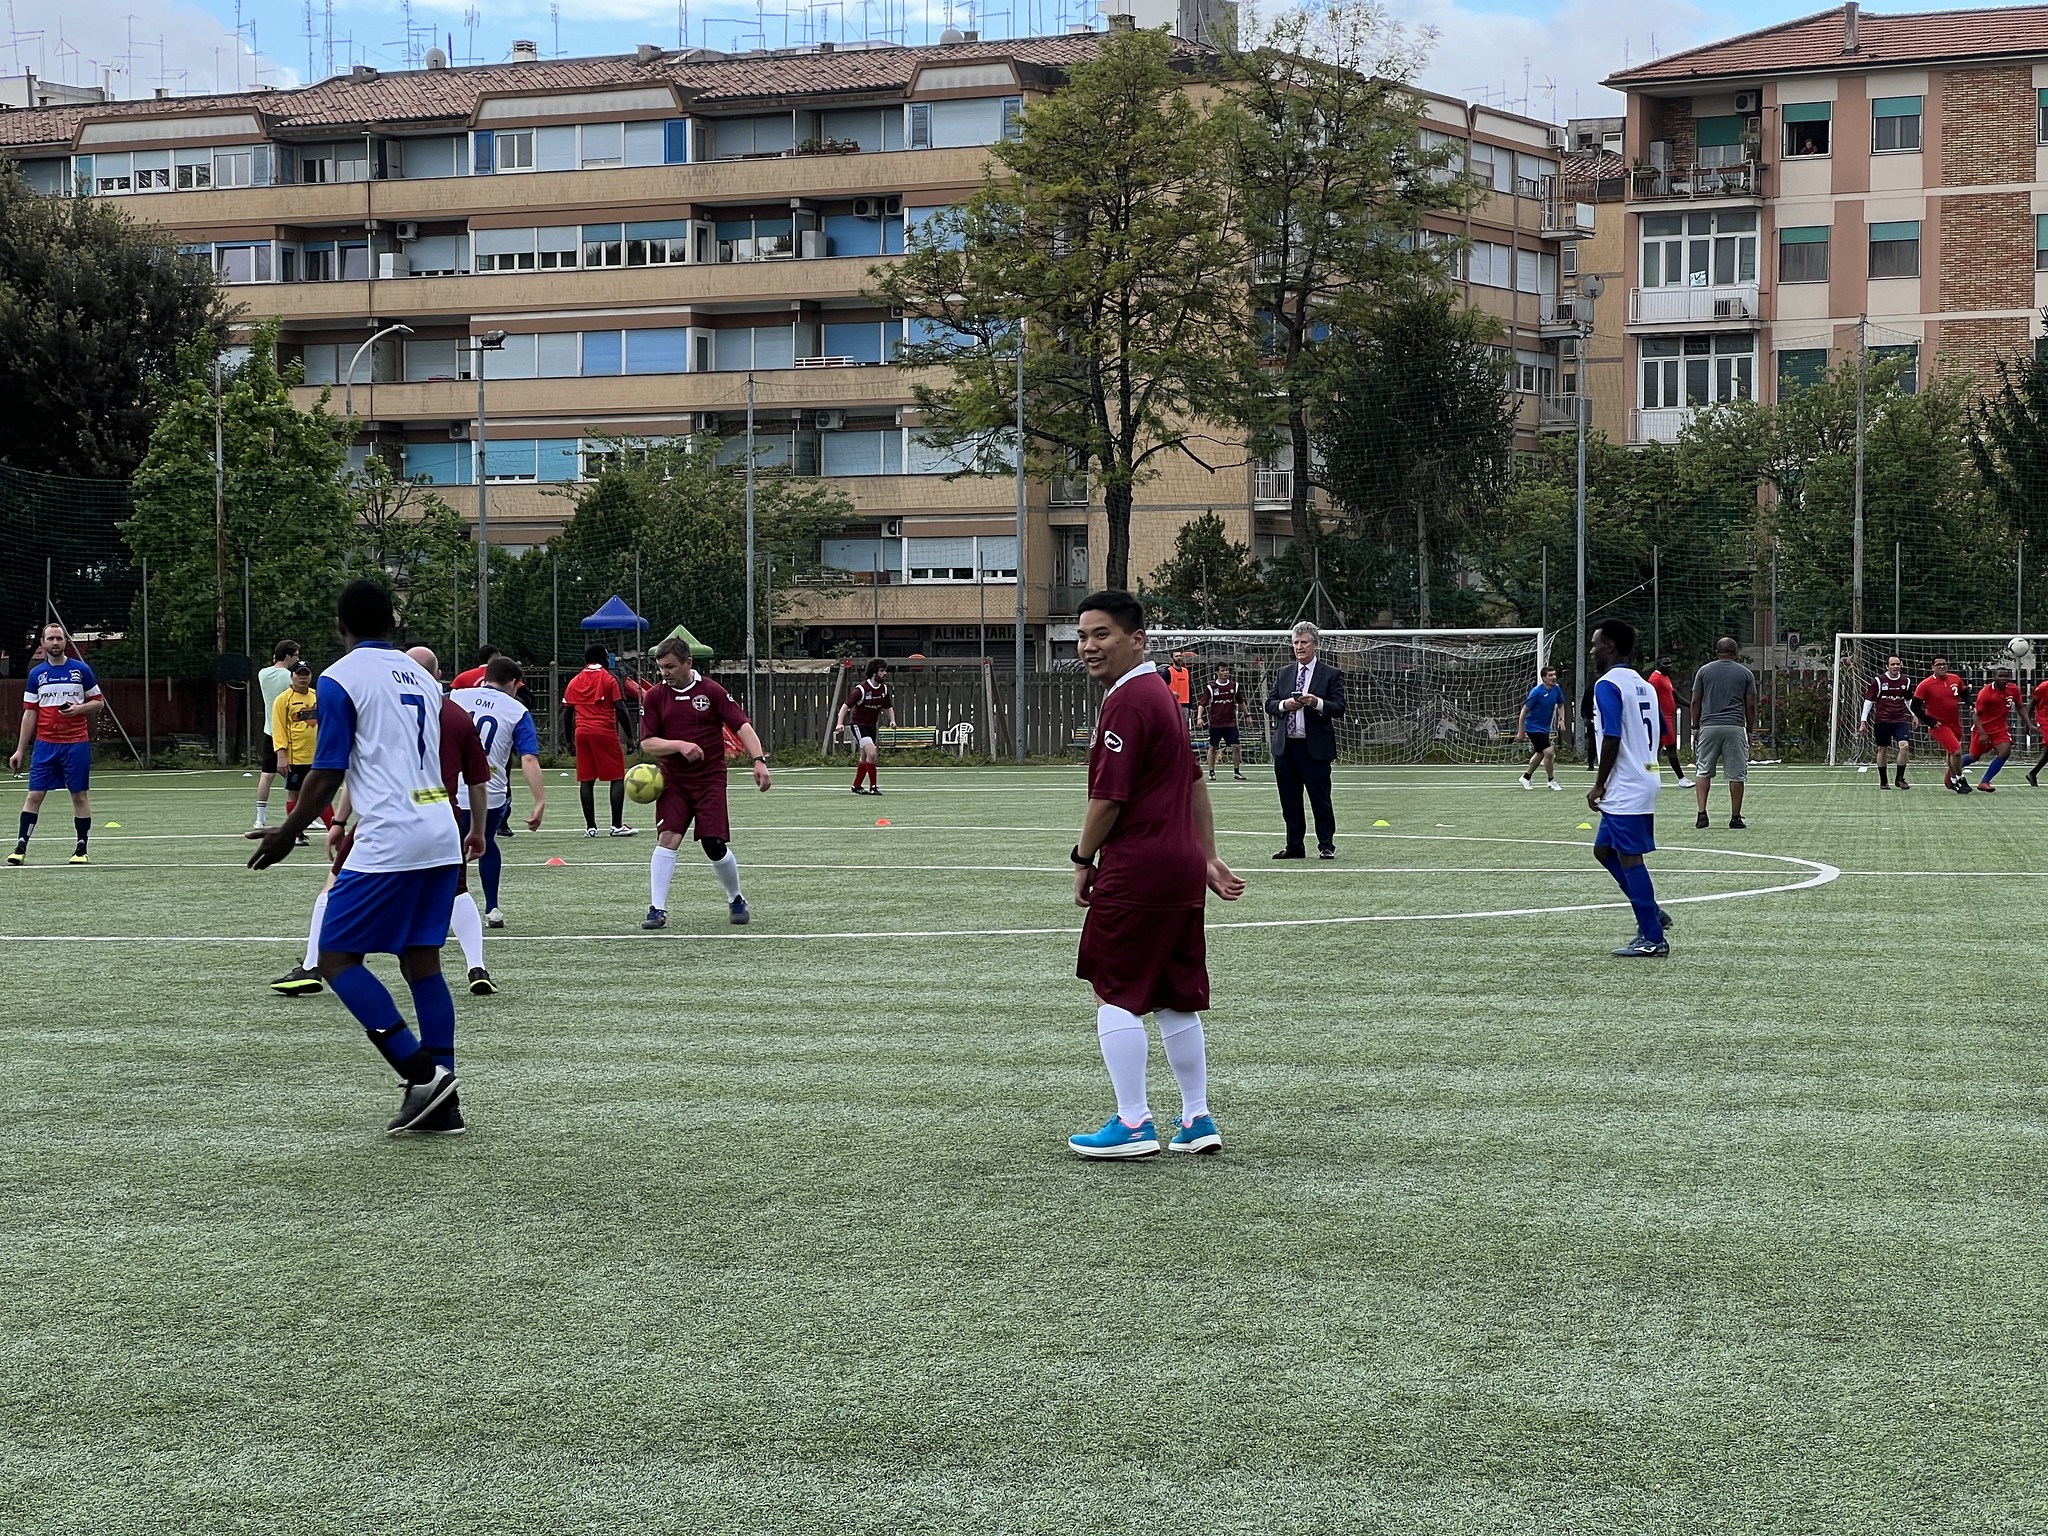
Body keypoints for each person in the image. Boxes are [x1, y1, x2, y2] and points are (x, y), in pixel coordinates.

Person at [246, 581, 479, 1137]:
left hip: (392, 835)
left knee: (336, 959)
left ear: (340, 625)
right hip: (438, 827)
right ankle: (444, 1101)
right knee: (422, 962)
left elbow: (326, 771)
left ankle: (421, 1073)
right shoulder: (420, 674)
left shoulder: (339, 677)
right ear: (392, 624)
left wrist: (287, 831)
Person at [1066, 590, 1244, 1158]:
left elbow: (1108, 799)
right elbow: (1193, 780)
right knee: (1174, 997)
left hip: (1137, 868)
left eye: (1102, 635)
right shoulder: (1163, 695)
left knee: (1113, 992)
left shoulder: (1127, 700)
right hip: (1178, 871)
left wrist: (1082, 859)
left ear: (1136, 639)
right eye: (1083, 635)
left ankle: (1133, 1121)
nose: (1088, 646)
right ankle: (1195, 1118)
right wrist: (1206, 856)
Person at [637, 636, 772, 931]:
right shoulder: (656, 696)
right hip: (673, 780)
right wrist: (679, 746)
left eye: (670, 666)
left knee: (713, 843)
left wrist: (758, 760)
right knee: (668, 838)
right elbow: (648, 743)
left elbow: (742, 726)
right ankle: (657, 909)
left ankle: (736, 898)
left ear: (688, 663)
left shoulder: (711, 691)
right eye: (660, 668)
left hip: (709, 778)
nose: (664, 673)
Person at [406, 646, 495, 994]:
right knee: (457, 889)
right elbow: (476, 781)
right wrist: (477, 830)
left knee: (339, 882)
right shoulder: (457, 715)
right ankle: (476, 966)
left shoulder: (385, 711)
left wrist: (339, 820)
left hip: (394, 812)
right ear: (439, 675)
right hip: (442, 811)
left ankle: (315, 964)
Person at [1588, 620, 1668, 959]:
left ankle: (1653, 937)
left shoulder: (1607, 684)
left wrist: (1599, 783)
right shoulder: (1643, 683)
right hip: (1644, 774)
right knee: (1604, 851)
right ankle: (1652, 913)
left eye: (1594, 644)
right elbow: (1662, 730)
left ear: (1609, 646)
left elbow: (1611, 736)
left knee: (1629, 857)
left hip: (1626, 784)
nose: (1591, 650)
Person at [452, 655, 546, 935]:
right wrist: (539, 800)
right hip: (491, 793)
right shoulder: (517, 711)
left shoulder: (455, 696)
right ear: (514, 683)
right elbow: (528, 758)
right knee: (485, 843)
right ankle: (491, 908)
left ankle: (446, 907)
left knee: (450, 850)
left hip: (450, 789)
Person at [9, 622, 103, 867]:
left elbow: (99, 702)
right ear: (42, 643)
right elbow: (30, 713)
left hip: (75, 743)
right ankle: (21, 845)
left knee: (79, 795)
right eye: (50, 639)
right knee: (34, 795)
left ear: (65, 642)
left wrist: (79, 708)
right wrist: (20, 749)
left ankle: (81, 848)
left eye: (59, 638)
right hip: (45, 745)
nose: (54, 643)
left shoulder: (80, 670)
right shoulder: (36, 675)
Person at [1265, 621, 1347, 860]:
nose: (1299, 647)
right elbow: (1270, 704)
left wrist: (1315, 702)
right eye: (1296, 643)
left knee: (1320, 799)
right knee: (1289, 801)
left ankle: (1326, 845)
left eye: (1304, 642)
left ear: (1315, 645)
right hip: (1286, 748)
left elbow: (1339, 707)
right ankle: (1294, 846)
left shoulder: (1330, 674)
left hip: (1314, 749)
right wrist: (1284, 705)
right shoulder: (1283, 673)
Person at [563, 644, 633, 838]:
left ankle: (591, 827)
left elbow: (567, 713)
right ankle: (616, 825)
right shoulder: (610, 679)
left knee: (586, 779)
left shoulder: (575, 681)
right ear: (603, 659)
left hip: (581, 732)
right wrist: (630, 738)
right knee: (617, 777)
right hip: (603, 731)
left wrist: (569, 740)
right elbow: (621, 709)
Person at [1690, 637, 1758, 830]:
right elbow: (1750, 705)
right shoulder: (1745, 673)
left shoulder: (1704, 671)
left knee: (1703, 770)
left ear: (1717, 651)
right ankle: (1735, 817)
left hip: (1709, 726)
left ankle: (1702, 814)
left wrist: (1695, 726)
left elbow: (1695, 701)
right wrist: (1750, 730)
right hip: (1734, 726)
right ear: (1735, 652)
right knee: (1736, 773)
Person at [268, 660, 328, 848]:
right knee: (294, 795)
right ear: (292, 676)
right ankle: (297, 833)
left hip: (318, 757)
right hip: (295, 758)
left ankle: (334, 830)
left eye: (306, 674)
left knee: (322, 794)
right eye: (299, 674)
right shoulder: (283, 700)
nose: (303, 677)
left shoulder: (318, 696)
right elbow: (278, 730)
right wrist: (281, 755)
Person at [253, 639, 300, 830]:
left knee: (267, 775)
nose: (298, 658)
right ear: (288, 655)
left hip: (269, 730)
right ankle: (303, 814)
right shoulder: (290, 677)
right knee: (299, 776)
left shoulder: (262, 674)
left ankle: (259, 819)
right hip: (287, 733)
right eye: (296, 654)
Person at [836, 659, 895, 796]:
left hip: (871, 726)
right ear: (873, 672)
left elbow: (888, 706)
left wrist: (892, 720)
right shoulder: (861, 689)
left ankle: (856, 785)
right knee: (872, 753)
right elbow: (846, 706)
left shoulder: (883, 689)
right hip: (858, 725)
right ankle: (873, 786)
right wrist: (839, 723)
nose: (884, 673)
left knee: (864, 757)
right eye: (881, 671)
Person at [1910, 656, 1967, 795]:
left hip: (1954, 722)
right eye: (1938, 664)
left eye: (1944, 664)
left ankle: (1952, 780)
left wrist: (1970, 704)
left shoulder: (1955, 679)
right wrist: (1931, 722)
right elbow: (1915, 706)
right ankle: (1960, 779)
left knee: (1951, 752)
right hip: (1939, 725)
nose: (1942, 667)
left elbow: (1964, 692)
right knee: (1957, 751)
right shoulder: (1925, 684)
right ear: (1933, 667)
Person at [1960, 666, 2022, 793]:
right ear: (1994, 677)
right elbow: (1975, 714)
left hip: (2000, 729)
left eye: (2006, 676)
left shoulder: (2013, 689)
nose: (2003, 679)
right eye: (2000, 676)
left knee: (2005, 751)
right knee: (1973, 756)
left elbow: (2020, 707)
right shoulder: (1986, 693)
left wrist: (2029, 724)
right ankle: (1952, 768)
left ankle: (1984, 781)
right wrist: (1982, 733)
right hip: (1982, 729)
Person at [1860, 653, 1914, 789]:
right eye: (1893, 664)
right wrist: (1863, 721)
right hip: (1882, 721)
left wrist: (1914, 714)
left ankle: (1899, 779)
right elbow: (1869, 701)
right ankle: (1883, 781)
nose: (1895, 666)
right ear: (1887, 666)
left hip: (1899, 720)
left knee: (1904, 746)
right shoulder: (1878, 681)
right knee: (1882, 749)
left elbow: (1908, 700)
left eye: (1897, 664)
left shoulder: (1906, 681)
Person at [1645, 659, 1694, 786]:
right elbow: (1650, 698)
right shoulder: (1655, 679)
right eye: (1665, 664)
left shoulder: (1665, 678)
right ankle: (1682, 779)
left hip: (1667, 717)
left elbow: (1675, 696)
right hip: (1662, 718)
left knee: (1655, 751)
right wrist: (1658, 716)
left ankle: (1648, 776)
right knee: (1671, 747)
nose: (1669, 666)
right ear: (1658, 665)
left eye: (1670, 663)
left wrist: (1692, 705)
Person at [1516, 665, 1565, 790]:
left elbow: (1561, 705)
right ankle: (1551, 780)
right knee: (1549, 751)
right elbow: (1524, 711)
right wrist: (1520, 731)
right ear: (1544, 678)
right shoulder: (1536, 692)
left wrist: (1562, 720)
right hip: (1533, 727)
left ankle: (1526, 777)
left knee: (1540, 753)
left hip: (1544, 728)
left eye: (1554, 674)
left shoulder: (1557, 689)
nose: (1554, 677)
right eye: (1550, 675)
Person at [1202, 663, 1246, 781]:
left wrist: (1247, 715)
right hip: (1216, 723)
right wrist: (1199, 717)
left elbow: (1240, 702)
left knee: (1236, 746)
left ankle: (1237, 771)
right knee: (1213, 747)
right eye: (1222, 670)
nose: (1225, 672)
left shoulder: (1234, 686)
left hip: (1230, 722)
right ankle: (1211, 772)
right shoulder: (1211, 687)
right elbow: (1202, 704)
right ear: (1217, 672)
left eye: (1226, 670)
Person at [2028, 670, 2048, 786]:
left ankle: (2032, 773)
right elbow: (2032, 703)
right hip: (2044, 719)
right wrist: (2028, 723)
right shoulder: (2043, 687)